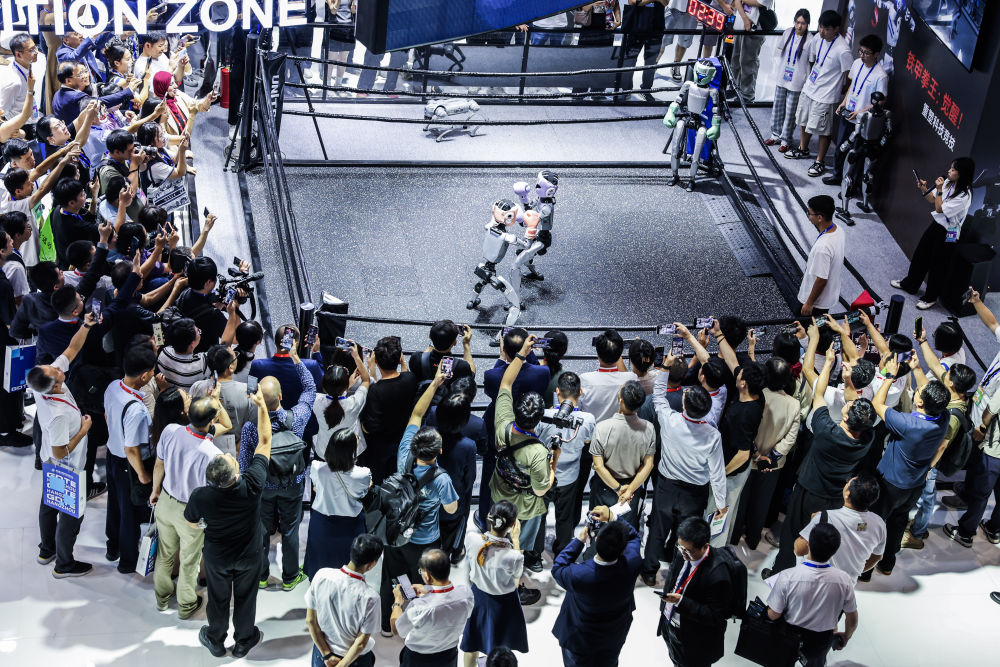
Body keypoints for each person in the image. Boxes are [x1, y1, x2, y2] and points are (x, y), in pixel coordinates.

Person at [768, 336, 876, 577]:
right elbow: (854, 402)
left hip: (808, 490)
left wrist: (828, 364)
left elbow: (819, 394)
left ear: (846, 417)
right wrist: (848, 381)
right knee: (817, 538)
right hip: (835, 496)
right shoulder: (866, 438)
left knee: (793, 531)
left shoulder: (826, 430)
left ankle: (780, 572)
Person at [185, 389, 272, 659]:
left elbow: (191, 522)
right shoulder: (252, 484)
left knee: (218, 598)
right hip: (249, 555)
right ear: (235, 475)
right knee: (246, 598)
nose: (231, 455)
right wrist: (262, 407)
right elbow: (265, 441)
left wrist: (204, 526)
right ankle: (244, 640)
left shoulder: (201, 496)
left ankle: (215, 639)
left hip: (217, 557)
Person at [380, 370, 460, 634]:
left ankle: (387, 624)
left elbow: (416, 414)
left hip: (395, 532)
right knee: (421, 582)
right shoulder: (441, 479)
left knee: (392, 577)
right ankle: (416, 625)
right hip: (424, 539)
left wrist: (435, 382)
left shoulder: (404, 455)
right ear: (439, 451)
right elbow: (451, 509)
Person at [642, 350, 728, 587]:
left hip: (666, 486)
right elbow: (717, 473)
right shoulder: (713, 435)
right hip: (694, 493)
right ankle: (676, 573)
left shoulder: (670, 420)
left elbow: (658, 396)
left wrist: (665, 368)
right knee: (685, 535)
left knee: (657, 529)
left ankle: (649, 571)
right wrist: (721, 503)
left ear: (683, 403)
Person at [238, 341, 316, 591]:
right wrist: (295, 358)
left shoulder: (251, 428)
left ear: (257, 399)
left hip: (263, 486)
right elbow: (310, 387)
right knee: (290, 530)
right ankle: (290, 577)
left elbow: (244, 464)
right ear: (281, 397)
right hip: (293, 483)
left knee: (261, 530)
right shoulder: (298, 418)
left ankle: (262, 576)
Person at [27, 312, 98, 578]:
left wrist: (86, 326)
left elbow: (71, 349)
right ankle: (64, 564)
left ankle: (46, 550)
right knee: (71, 514)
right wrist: (83, 430)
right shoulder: (57, 415)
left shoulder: (41, 383)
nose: (59, 367)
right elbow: (60, 451)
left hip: (49, 460)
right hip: (67, 466)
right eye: (56, 372)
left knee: (48, 503)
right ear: (55, 387)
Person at [488, 333, 552, 604]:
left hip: (500, 492)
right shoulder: (539, 453)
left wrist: (521, 354)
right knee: (517, 544)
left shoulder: (503, 425)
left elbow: (506, 382)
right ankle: (511, 584)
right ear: (538, 420)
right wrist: (553, 464)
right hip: (525, 506)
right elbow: (541, 489)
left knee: (500, 533)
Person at [870, 357, 949, 575]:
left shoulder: (907, 424)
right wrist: (916, 368)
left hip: (890, 484)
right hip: (914, 485)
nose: (917, 390)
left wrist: (890, 376)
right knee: (898, 523)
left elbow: (878, 404)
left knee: (877, 522)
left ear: (920, 403)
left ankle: (866, 570)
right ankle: (887, 565)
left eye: (919, 392)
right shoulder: (943, 418)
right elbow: (929, 393)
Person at [150, 394, 225, 617]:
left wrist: (155, 490)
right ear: (212, 421)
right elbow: (213, 494)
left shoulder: (170, 430)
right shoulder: (213, 454)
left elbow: (159, 465)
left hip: (165, 501)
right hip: (190, 513)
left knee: (165, 554)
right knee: (190, 560)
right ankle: (186, 605)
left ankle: (162, 598)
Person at [904, 333, 976, 548]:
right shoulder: (957, 393)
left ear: (951, 383)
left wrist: (928, 467)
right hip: (930, 456)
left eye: (948, 375)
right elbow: (935, 366)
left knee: (927, 496)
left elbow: (942, 445)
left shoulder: (953, 415)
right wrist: (922, 342)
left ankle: (917, 535)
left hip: (932, 460)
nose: (944, 373)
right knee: (925, 496)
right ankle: (919, 526)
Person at [478, 327, 549, 534]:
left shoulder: (492, 375)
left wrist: (504, 358)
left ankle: (486, 519)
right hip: (527, 429)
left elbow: (501, 385)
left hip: (499, 428)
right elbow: (532, 366)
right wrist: (526, 350)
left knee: (490, 474)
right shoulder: (542, 373)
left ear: (504, 349)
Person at [551, 505, 642, 667]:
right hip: (613, 637)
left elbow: (558, 567)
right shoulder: (633, 563)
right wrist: (613, 516)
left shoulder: (579, 575)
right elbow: (634, 536)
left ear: (596, 539)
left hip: (579, 641)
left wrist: (578, 541)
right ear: (623, 550)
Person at [731, 357, 801, 549]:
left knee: (740, 501)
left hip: (747, 459)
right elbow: (790, 439)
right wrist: (770, 459)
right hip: (772, 466)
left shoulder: (756, 395)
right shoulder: (794, 404)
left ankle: (734, 537)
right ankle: (753, 539)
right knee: (761, 503)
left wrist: (756, 455)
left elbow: (747, 429)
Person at [767, 522, 859, 667]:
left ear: (808, 544)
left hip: (789, 635)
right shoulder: (844, 580)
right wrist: (846, 636)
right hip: (821, 639)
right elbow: (852, 618)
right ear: (835, 550)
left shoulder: (788, 576)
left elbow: (773, 614)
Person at [891, 157, 976, 310]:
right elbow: (932, 200)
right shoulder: (948, 182)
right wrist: (924, 188)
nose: (949, 171)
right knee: (921, 255)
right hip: (937, 224)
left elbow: (939, 208)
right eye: (950, 168)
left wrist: (940, 189)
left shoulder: (965, 195)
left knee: (939, 265)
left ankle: (930, 298)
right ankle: (910, 284)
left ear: (961, 173)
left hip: (951, 231)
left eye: (953, 169)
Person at [103, 343, 157, 575]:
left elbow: (107, 416)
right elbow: (132, 448)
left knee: (115, 505)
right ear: (144, 375)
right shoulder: (136, 409)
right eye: (152, 371)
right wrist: (143, 475)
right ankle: (127, 561)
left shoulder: (113, 387)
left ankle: (112, 547)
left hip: (112, 455)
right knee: (129, 514)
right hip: (130, 465)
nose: (153, 375)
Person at [532, 372, 597, 561]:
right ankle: (562, 554)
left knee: (539, 516)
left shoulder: (544, 416)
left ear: (557, 392)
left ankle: (535, 557)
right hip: (569, 477)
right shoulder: (588, 419)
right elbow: (587, 440)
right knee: (565, 519)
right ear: (580, 392)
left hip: (544, 475)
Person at [657, 517, 737, 667]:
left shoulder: (718, 575)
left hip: (694, 640)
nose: (683, 553)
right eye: (680, 547)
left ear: (705, 546)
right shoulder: (682, 552)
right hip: (670, 624)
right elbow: (673, 578)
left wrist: (681, 601)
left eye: (688, 550)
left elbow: (714, 616)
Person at [785, 9, 853, 178]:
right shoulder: (818, 38)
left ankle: (819, 161)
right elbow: (814, 61)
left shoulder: (843, 50)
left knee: (824, 130)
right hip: (810, 88)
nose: (822, 31)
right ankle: (803, 149)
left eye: (826, 29)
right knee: (803, 120)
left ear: (836, 29)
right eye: (820, 27)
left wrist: (841, 93)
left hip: (826, 95)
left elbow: (849, 77)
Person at [461, 501, 528, 666]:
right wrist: (516, 541)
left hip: (479, 598)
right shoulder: (514, 556)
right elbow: (516, 581)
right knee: (501, 647)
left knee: (471, 645)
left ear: (489, 517)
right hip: (505, 603)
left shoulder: (472, 539)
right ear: (513, 525)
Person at [305, 534, 383, 667]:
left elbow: (310, 620)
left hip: (322, 653)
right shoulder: (370, 598)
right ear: (372, 564)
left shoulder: (321, 575)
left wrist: (327, 655)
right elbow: (360, 643)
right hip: (352, 660)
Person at [390, 548, 475, 666]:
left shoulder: (418, 607)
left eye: (421, 571)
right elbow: (448, 604)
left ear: (427, 575)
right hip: (449, 656)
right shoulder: (466, 594)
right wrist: (429, 591)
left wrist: (398, 602)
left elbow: (396, 629)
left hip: (418, 659)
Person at [822, 34, 888, 187]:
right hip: (848, 114)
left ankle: (849, 185)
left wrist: (861, 112)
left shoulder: (881, 75)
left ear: (876, 54)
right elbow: (853, 86)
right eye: (861, 51)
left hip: (862, 122)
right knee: (840, 148)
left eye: (866, 53)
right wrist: (843, 102)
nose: (862, 55)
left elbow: (881, 101)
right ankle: (836, 176)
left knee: (855, 154)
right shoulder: (857, 63)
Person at [588, 379, 654, 529]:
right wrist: (629, 490)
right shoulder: (649, 429)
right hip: (632, 489)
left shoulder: (602, 428)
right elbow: (648, 464)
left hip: (604, 487)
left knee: (599, 530)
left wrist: (618, 489)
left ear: (620, 399)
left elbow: (598, 466)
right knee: (625, 531)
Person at [305, 428, 371, 578]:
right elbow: (363, 492)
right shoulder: (362, 474)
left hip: (322, 523)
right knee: (349, 569)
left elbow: (315, 488)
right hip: (351, 526)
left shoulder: (317, 468)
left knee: (320, 567)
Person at [796, 475, 885, 582]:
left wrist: (813, 525)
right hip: (846, 584)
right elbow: (877, 556)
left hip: (814, 582)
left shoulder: (825, 517)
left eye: (847, 483)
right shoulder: (879, 523)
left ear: (847, 494)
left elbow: (799, 550)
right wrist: (856, 571)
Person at [359, 334, 418, 483]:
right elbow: (403, 376)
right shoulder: (411, 379)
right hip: (402, 440)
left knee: (378, 483)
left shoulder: (375, 391)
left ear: (376, 360)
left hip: (379, 447)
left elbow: (369, 426)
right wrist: (403, 364)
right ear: (399, 358)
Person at [765, 9, 812, 153]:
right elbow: (779, 51)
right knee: (778, 107)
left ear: (807, 24)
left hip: (797, 80)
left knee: (791, 112)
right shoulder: (787, 32)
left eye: (803, 23)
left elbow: (811, 62)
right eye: (797, 22)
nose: (799, 26)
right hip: (782, 76)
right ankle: (775, 134)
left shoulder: (811, 39)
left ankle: (786, 139)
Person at [313, 342, 369, 459]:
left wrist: (345, 388)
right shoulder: (353, 403)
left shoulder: (316, 400)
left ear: (324, 386)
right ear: (346, 385)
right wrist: (357, 357)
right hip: (349, 452)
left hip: (323, 450)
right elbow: (366, 380)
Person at [797, 195, 844, 316]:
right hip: (827, 298)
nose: (808, 216)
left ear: (819, 218)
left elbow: (822, 279)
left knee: (802, 326)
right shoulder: (839, 230)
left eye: (809, 213)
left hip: (816, 303)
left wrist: (809, 303)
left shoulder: (822, 247)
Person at [728, 1, 775, 104]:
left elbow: (761, 3)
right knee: (735, 60)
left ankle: (747, 95)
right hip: (739, 25)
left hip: (755, 28)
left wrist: (742, 1)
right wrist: (745, 18)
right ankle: (734, 88)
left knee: (748, 62)